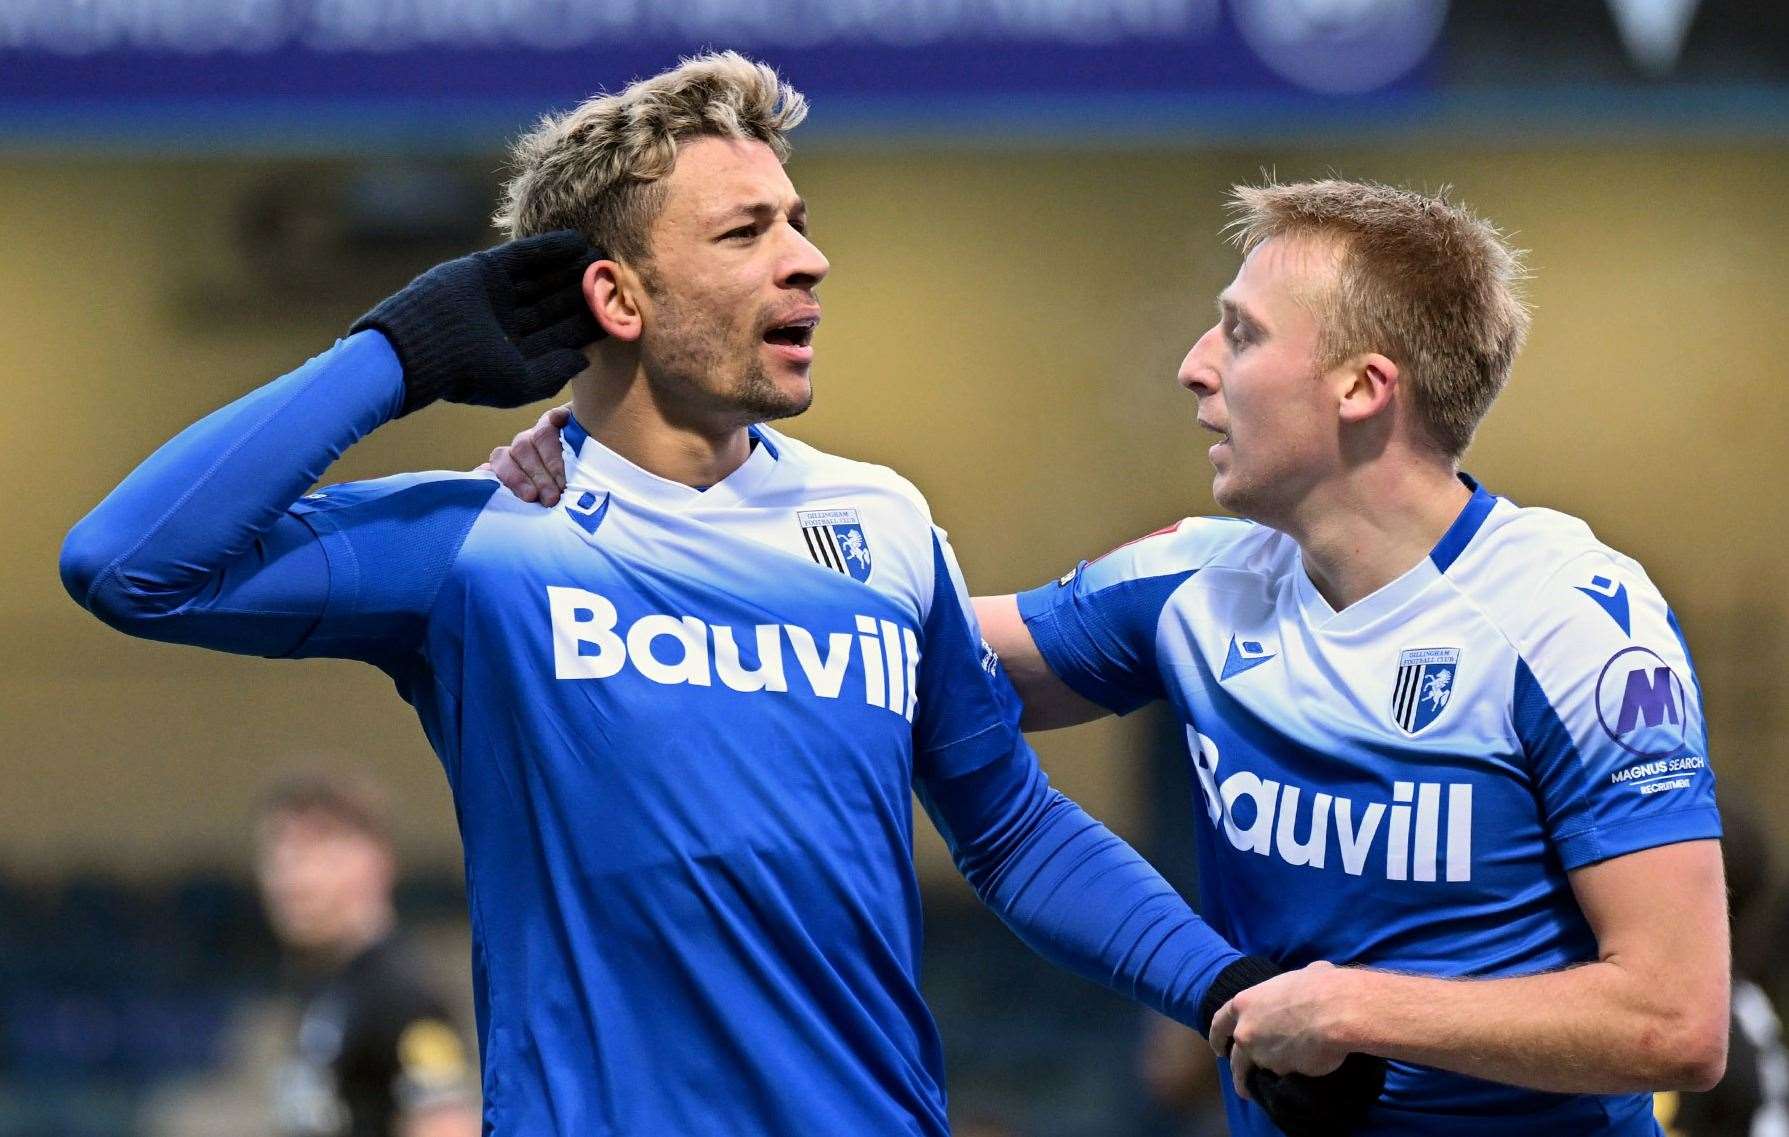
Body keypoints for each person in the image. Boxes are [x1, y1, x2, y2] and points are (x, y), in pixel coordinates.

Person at [59, 55, 1377, 1136]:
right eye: (748, 232)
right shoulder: (484, 541)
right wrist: (395, 353)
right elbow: (128, 563)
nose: (806, 260)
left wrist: (1223, 986)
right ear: (613, 294)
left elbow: (1013, 830)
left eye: (799, 222)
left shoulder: (880, 522)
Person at [488, 177, 1730, 1134]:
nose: (1195, 367)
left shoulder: (1573, 623)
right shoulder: (1198, 578)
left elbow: (1675, 1023)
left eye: (1238, 336)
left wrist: (1349, 1004)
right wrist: (615, 484)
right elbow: (863, 648)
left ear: (1362, 388)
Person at [255, 773, 479, 1137]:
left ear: (375, 860)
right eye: (277, 852)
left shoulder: (401, 992)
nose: (288, 874)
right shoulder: (322, 987)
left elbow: (448, 1126)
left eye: (312, 849)